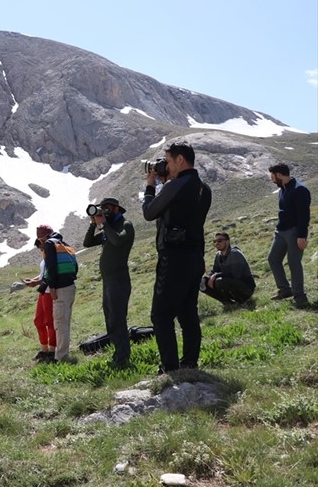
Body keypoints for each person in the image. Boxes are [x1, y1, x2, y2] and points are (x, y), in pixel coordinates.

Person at [141, 141, 212, 373]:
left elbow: (149, 213)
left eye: (169, 161)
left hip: (174, 258)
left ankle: (170, 368)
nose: (165, 166)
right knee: (187, 312)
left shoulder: (177, 185)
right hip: (195, 257)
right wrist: (167, 182)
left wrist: (150, 187)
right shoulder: (204, 188)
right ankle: (190, 363)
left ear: (180, 160)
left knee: (160, 314)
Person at [83, 197, 135, 368]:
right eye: (102, 208)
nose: (104, 210)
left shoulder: (125, 225)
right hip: (108, 281)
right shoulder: (109, 228)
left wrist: (104, 224)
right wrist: (94, 223)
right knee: (110, 318)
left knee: (118, 318)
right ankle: (118, 354)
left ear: (116, 209)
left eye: (106, 208)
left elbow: (118, 241)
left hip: (119, 280)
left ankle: (122, 359)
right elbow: (88, 242)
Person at [267, 163, 311, 307]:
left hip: (294, 232)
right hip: (280, 232)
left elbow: (304, 215)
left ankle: (300, 296)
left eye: (273, 176)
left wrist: (302, 236)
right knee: (273, 259)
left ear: (279, 175)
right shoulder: (282, 189)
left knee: (294, 263)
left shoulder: (300, 190)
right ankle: (285, 290)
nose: (272, 179)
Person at [37, 224, 78, 363]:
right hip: (70, 286)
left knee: (60, 324)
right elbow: (75, 267)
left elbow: (51, 267)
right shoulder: (64, 244)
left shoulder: (49, 244)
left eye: (40, 239)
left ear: (44, 238)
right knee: (65, 322)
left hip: (60, 288)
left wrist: (52, 287)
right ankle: (62, 354)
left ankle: (61, 357)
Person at [200, 232, 256, 307]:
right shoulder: (218, 255)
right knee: (201, 283)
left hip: (246, 288)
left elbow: (235, 275)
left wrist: (216, 275)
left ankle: (241, 301)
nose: (217, 243)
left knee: (219, 281)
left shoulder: (235, 254)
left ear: (227, 241)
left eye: (219, 241)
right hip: (230, 285)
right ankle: (228, 303)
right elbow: (214, 270)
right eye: (215, 241)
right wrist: (207, 278)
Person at [24, 238, 55, 362]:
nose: (41, 251)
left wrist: (36, 282)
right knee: (39, 321)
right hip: (43, 292)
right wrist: (33, 280)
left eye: (41, 248)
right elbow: (43, 274)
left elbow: (51, 275)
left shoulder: (52, 256)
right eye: (40, 249)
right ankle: (44, 349)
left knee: (50, 322)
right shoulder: (45, 258)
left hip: (50, 292)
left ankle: (52, 351)